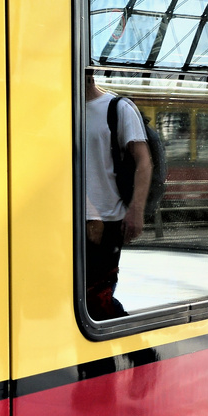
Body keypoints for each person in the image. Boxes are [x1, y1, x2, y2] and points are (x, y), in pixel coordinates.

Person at [83, 79, 151, 321]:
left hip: (108, 220)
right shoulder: (62, 110)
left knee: (96, 300)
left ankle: (138, 348)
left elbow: (143, 161)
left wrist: (136, 210)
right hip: (71, 219)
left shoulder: (118, 108)